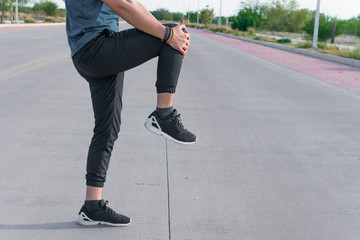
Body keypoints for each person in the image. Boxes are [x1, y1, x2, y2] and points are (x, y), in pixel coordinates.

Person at [64, 0, 197, 227]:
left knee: (107, 129)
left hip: (90, 52)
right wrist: (167, 35)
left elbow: (131, 2)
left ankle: (92, 207)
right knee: (174, 31)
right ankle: (164, 114)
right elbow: (121, 6)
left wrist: (166, 33)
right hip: (97, 47)